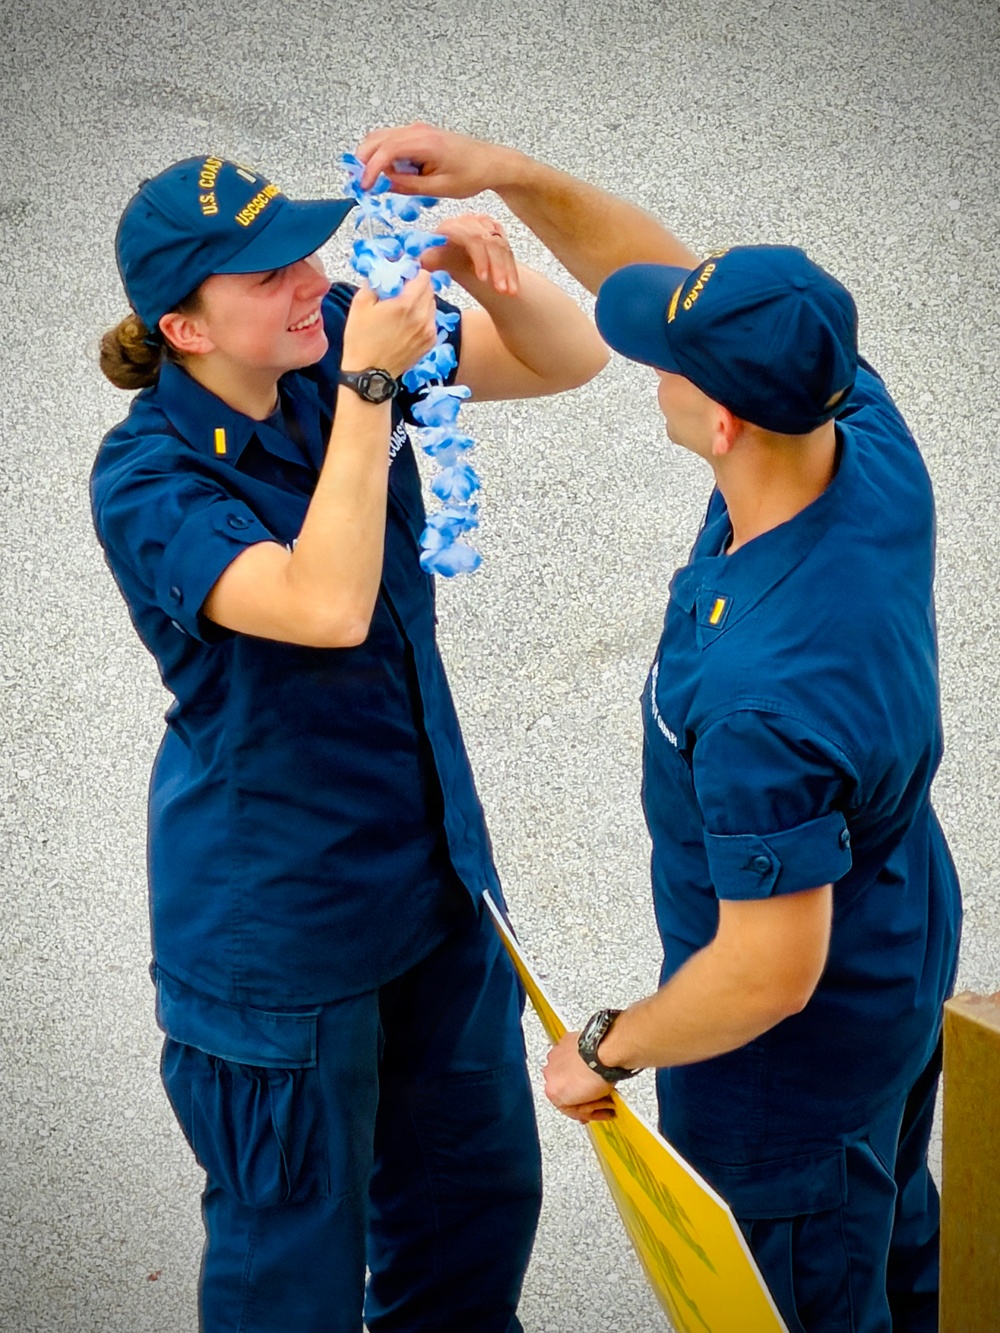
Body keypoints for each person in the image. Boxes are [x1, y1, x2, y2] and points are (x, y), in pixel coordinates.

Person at [356, 124, 963, 1331]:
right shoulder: (857, 442)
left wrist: (609, 1046)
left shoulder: (764, 699)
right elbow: (688, 286)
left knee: (800, 1296)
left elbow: (763, 973)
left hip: (783, 1066)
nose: (654, 372)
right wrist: (511, 175)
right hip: (897, 943)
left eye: (668, 362)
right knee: (891, 1240)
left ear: (725, 419)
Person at [91, 153, 608, 1333]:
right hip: (281, 934)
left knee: (472, 1225)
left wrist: (498, 279)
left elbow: (567, 360)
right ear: (183, 326)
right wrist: (373, 388)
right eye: (271, 275)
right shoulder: (147, 478)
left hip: (432, 889)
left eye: (312, 254)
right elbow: (321, 607)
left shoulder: (326, 371)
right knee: (294, 1269)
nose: (312, 284)